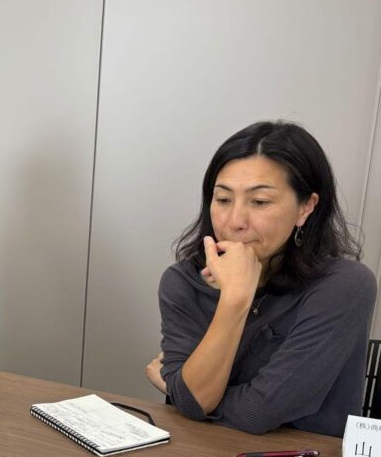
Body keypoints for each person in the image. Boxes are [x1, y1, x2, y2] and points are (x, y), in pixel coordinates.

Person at [146, 121, 376, 436]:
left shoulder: (345, 285)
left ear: (305, 208)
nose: (235, 221)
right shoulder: (183, 281)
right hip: (202, 453)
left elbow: (257, 412)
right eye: (223, 199)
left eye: (260, 202)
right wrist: (235, 299)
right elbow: (195, 401)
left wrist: (178, 389)